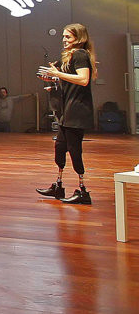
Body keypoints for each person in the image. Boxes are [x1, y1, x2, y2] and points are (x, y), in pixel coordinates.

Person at [36, 23, 97, 205]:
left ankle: (83, 191)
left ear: (79, 38)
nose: (64, 40)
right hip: (67, 110)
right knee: (60, 148)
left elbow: (83, 79)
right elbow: (70, 81)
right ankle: (58, 185)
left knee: (74, 150)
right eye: (63, 36)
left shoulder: (80, 54)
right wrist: (54, 79)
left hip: (77, 111)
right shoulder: (71, 56)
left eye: (68, 37)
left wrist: (59, 75)